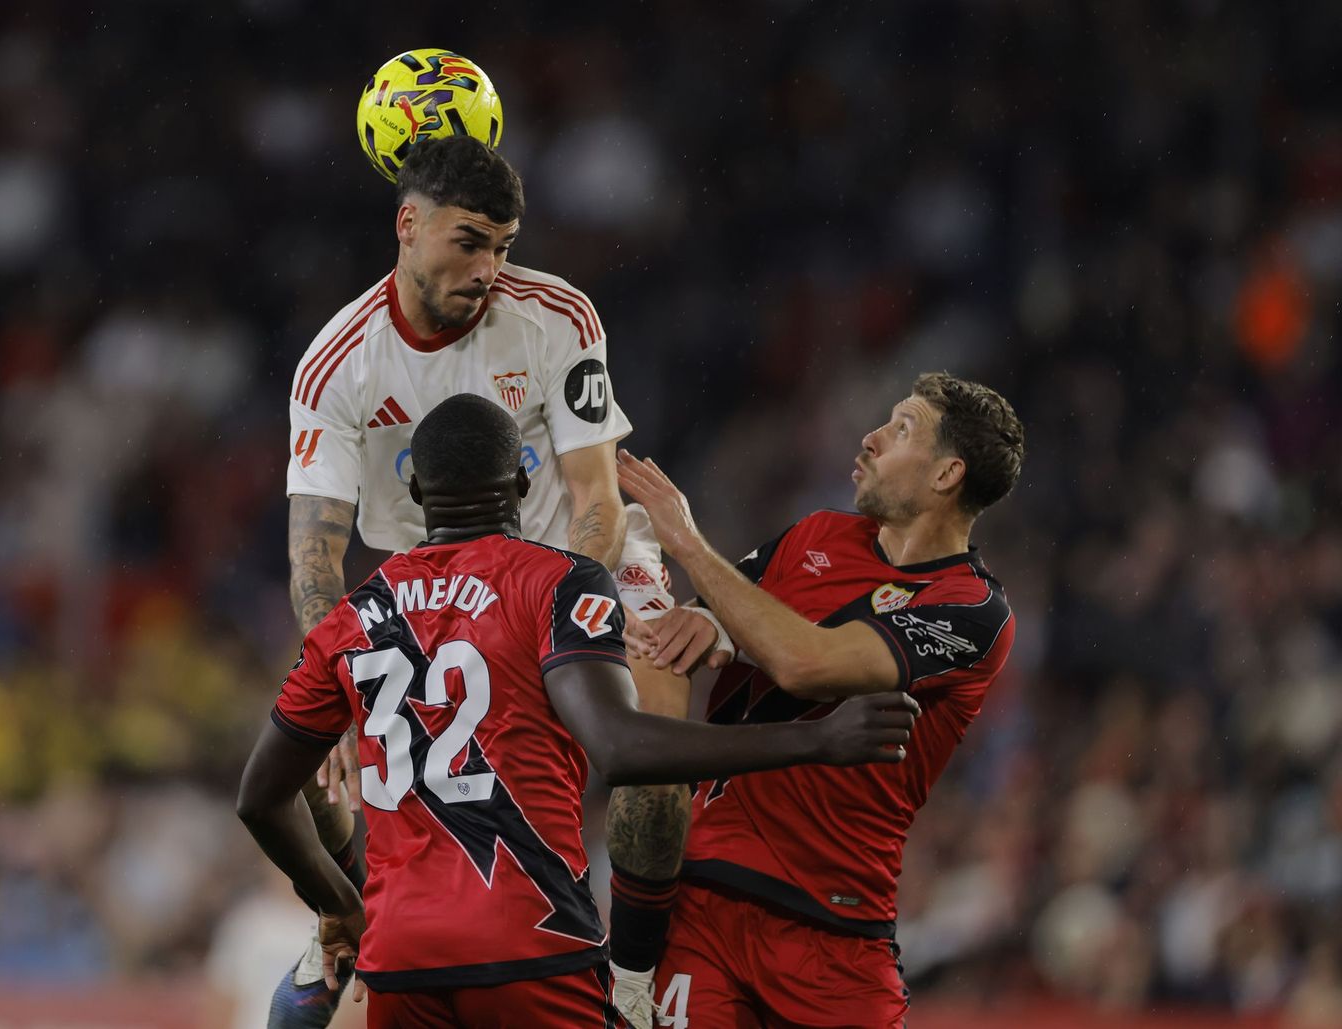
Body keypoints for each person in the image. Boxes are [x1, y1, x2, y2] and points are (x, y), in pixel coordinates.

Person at [238, 393, 922, 1029]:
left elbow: (260, 797)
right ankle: (629, 973)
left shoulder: (351, 616)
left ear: (415, 492)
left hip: (401, 961)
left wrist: (339, 901)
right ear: (524, 484)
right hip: (530, 938)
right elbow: (621, 748)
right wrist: (815, 738)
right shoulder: (555, 580)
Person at [281, 135, 690, 1026]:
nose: (490, 267)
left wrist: (568, 616)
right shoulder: (336, 364)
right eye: (470, 242)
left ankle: (627, 978)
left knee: (656, 756)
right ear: (408, 223)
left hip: (583, 559)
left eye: (503, 245)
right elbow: (316, 554)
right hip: (437, 579)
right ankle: (350, 919)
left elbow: (594, 493)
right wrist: (342, 696)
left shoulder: (557, 315)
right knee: (319, 758)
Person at [615, 372, 1025, 1028]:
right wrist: (701, 621)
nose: (870, 438)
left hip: (836, 933)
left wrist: (687, 544)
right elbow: (713, 617)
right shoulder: (814, 535)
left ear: (947, 475)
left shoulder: (971, 609)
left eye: (901, 428)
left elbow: (808, 663)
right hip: (705, 907)